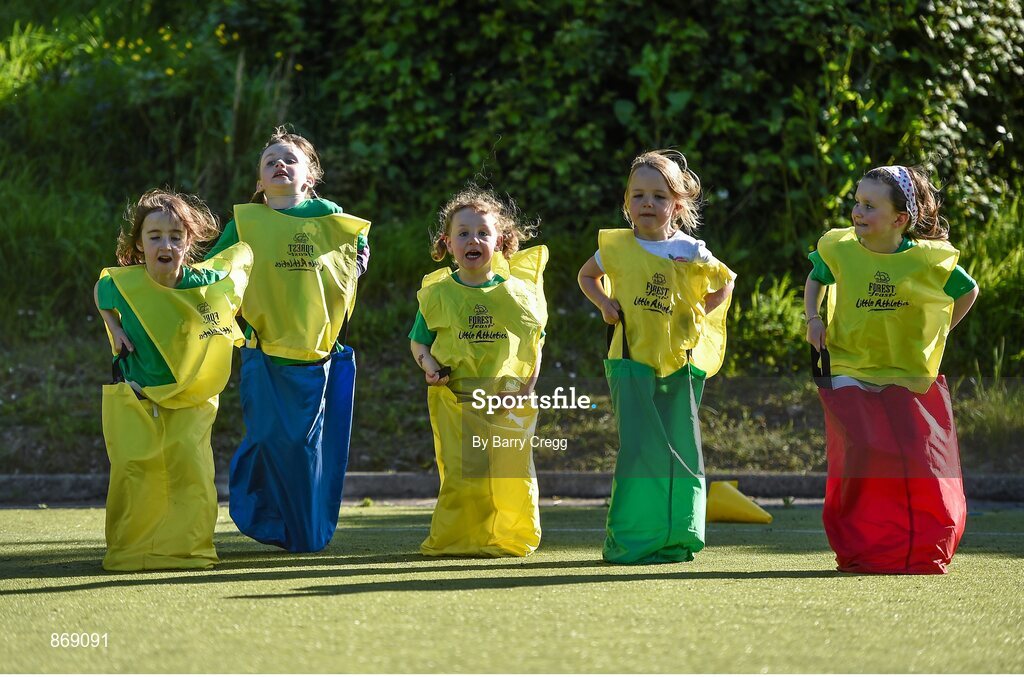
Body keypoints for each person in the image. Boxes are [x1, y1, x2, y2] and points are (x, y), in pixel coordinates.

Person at [804, 164, 978, 574]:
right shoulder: (840, 248)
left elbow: (968, 291)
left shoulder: (927, 260)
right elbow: (816, 277)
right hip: (849, 363)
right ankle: (863, 544)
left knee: (914, 454)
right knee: (864, 448)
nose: (857, 212)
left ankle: (916, 543)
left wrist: (939, 333)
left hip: (905, 370)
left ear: (900, 219)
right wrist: (813, 318)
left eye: (869, 205)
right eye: (857, 202)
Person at [214, 126, 371, 553]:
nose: (279, 164)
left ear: (310, 176)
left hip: (316, 356)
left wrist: (356, 264)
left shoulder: (329, 214)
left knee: (305, 449)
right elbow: (214, 275)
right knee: (266, 439)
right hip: (263, 352)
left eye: (290, 159)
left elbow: (355, 250)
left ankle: (304, 531)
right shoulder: (244, 223)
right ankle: (264, 514)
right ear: (259, 182)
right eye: (270, 162)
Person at [578, 150, 735, 564]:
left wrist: (702, 311)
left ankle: (677, 536)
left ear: (677, 205)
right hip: (630, 362)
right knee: (639, 448)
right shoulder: (615, 247)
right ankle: (631, 540)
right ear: (626, 201)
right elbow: (586, 277)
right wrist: (604, 305)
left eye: (659, 197)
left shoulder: (690, 249)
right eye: (638, 195)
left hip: (678, 365)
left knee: (681, 448)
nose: (648, 204)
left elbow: (725, 283)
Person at [95, 189, 251, 571]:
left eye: (176, 236)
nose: (166, 244)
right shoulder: (123, 284)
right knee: (135, 469)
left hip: (191, 400)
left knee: (191, 471)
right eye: (155, 236)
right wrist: (113, 326)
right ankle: (135, 549)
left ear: (188, 242)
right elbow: (100, 291)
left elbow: (237, 268)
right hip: (139, 395)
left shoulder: (205, 279)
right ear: (138, 244)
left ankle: (187, 549)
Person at [410, 188, 547, 556]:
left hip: (507, 400)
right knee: (461, 474)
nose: (474, 240)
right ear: (448, 244)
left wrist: (527, 387)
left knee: (510, 475)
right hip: (456, 401)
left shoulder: (518, 294)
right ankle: (459, 539)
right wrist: (429, 366)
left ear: (500, 242)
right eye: (464, 233)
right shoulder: (438, 294)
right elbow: (419, 342)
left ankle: (510, 537)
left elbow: (534, 344)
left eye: (483, 233)